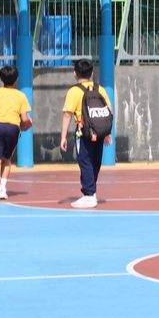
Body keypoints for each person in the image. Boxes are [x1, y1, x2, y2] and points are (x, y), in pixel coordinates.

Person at [59, 58, 113, 209]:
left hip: (83, 131)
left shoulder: (74, 91)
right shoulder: (99, 89)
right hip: (99, 131)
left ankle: (89, 195)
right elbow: (108, 111)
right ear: (92, 73)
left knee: (85, 161)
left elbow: (67, 114)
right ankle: (91, 192)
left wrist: (63, 137)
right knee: (95, 161)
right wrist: (106, 132)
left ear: (75, 73)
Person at [0, 64, 33, 201]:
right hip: (12, 128)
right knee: (7, 159)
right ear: (17, 79)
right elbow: (25, 119)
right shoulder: (21, 96)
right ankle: (2, 190)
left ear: (1, 78)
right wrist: (27, 125)